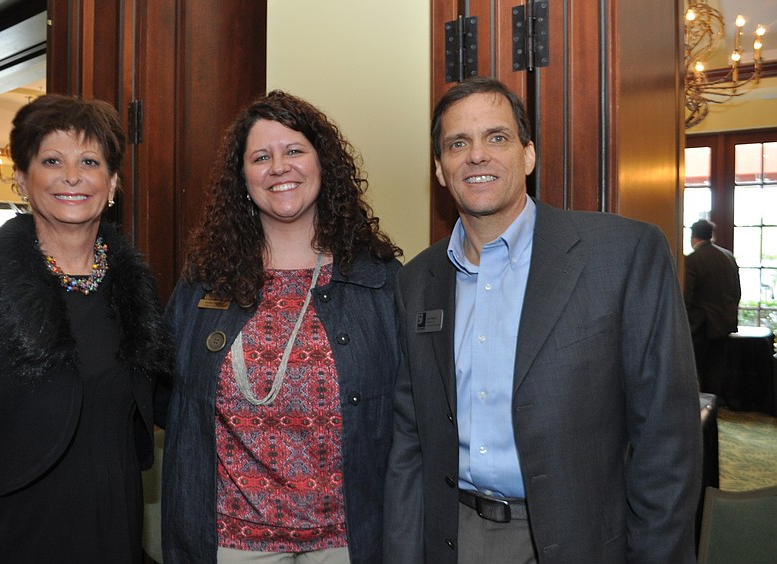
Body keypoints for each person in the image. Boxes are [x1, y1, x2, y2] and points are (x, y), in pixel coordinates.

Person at [384, 77, 702, 564]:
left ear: (528, 156)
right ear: (440, 169)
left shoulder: (621, 255)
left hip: (581, 541)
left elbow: (667, 440)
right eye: (457, 144)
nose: (477, 156)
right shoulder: (416, 281)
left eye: (497, 137)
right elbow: (410, 441)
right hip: (454, 538)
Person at [0, 94, 172, 563]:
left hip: (112, 533)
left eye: (90, 161)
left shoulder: (136, 292)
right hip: (8, 537)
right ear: (22, 178)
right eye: (52, 160)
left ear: (113, 182)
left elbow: (174, 401)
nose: (73, 176)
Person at [162, 90, 402, 564]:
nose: (279, 167)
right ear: (243, 178)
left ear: (322, 163)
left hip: (346, 539)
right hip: (230, 540)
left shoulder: (380, 279)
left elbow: (408, 409)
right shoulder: (202, 283)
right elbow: (166, 393)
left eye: (294, 150)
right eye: (260, 157)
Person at [684, 219, 742, 396]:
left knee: (696, 370)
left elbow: (687, 296)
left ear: (693, 236)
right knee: (716, 371)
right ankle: (713, 409)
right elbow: (737, 291)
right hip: (724, 323)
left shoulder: (692, 260)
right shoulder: (728, 256)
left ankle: (701, 414)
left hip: (700, 325)